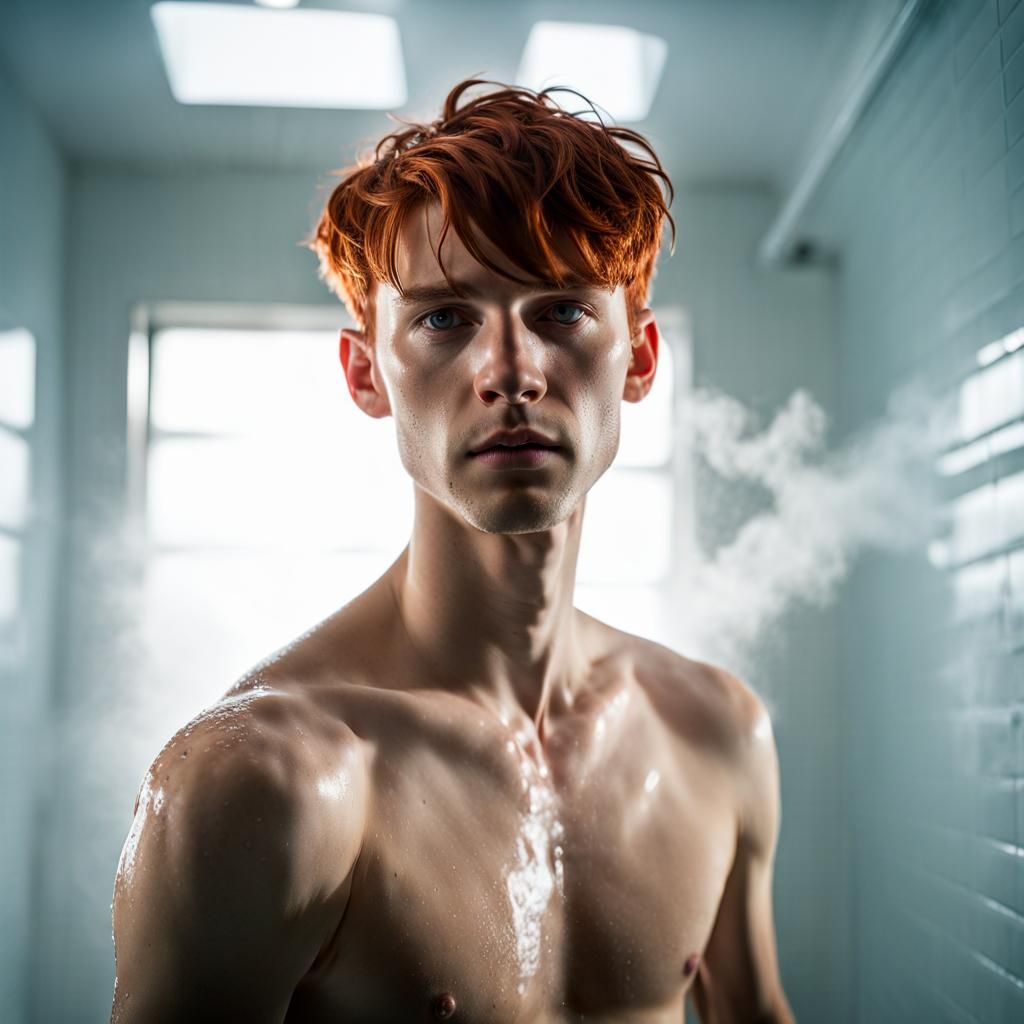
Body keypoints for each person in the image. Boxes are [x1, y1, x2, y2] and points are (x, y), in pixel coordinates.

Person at [110, 78, 795, 1024]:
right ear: (365, 374)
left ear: (637, 360)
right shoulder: (262, 785)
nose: (509, 373)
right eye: (443, 317)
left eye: (560, 311)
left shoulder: (716, 734)